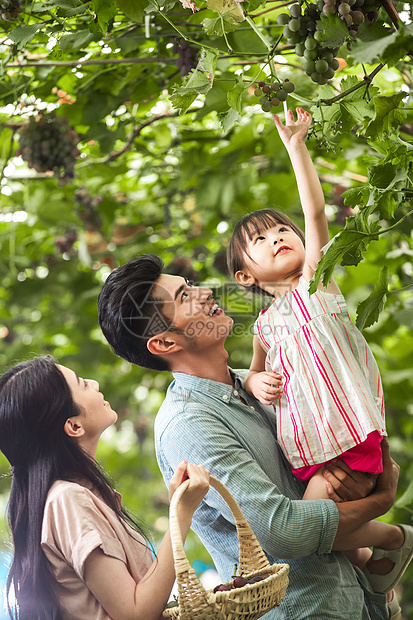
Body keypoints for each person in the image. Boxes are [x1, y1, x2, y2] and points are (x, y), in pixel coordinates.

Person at [98, 252, 407, 619]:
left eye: (191, 286)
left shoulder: (259, 380)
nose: (205, 293)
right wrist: (381, 506)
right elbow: (282, 532)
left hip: (357, 599)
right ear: (164, 344)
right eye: (184, 296)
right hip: (304, 610)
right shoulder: (189, 424)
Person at [226, 107, 413, 575]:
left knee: (304, 531)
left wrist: (297, 146)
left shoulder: (316, 283)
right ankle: (376, 567)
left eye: (281, 230)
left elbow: (313, 210)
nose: (277, 238)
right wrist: (253, 385)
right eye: (261, 239)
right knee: (331, 540)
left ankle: (394, 537)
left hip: (348, 437)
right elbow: (253, 371)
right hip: (307, 452)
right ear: (245, 275)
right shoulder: (265, 325)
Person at [0, 356, 210, 620]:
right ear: (74, 426)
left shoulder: (73, 496)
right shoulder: (68, 499)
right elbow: (136, 613)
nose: (95, 383)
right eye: (82, 384)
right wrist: (180, 514)